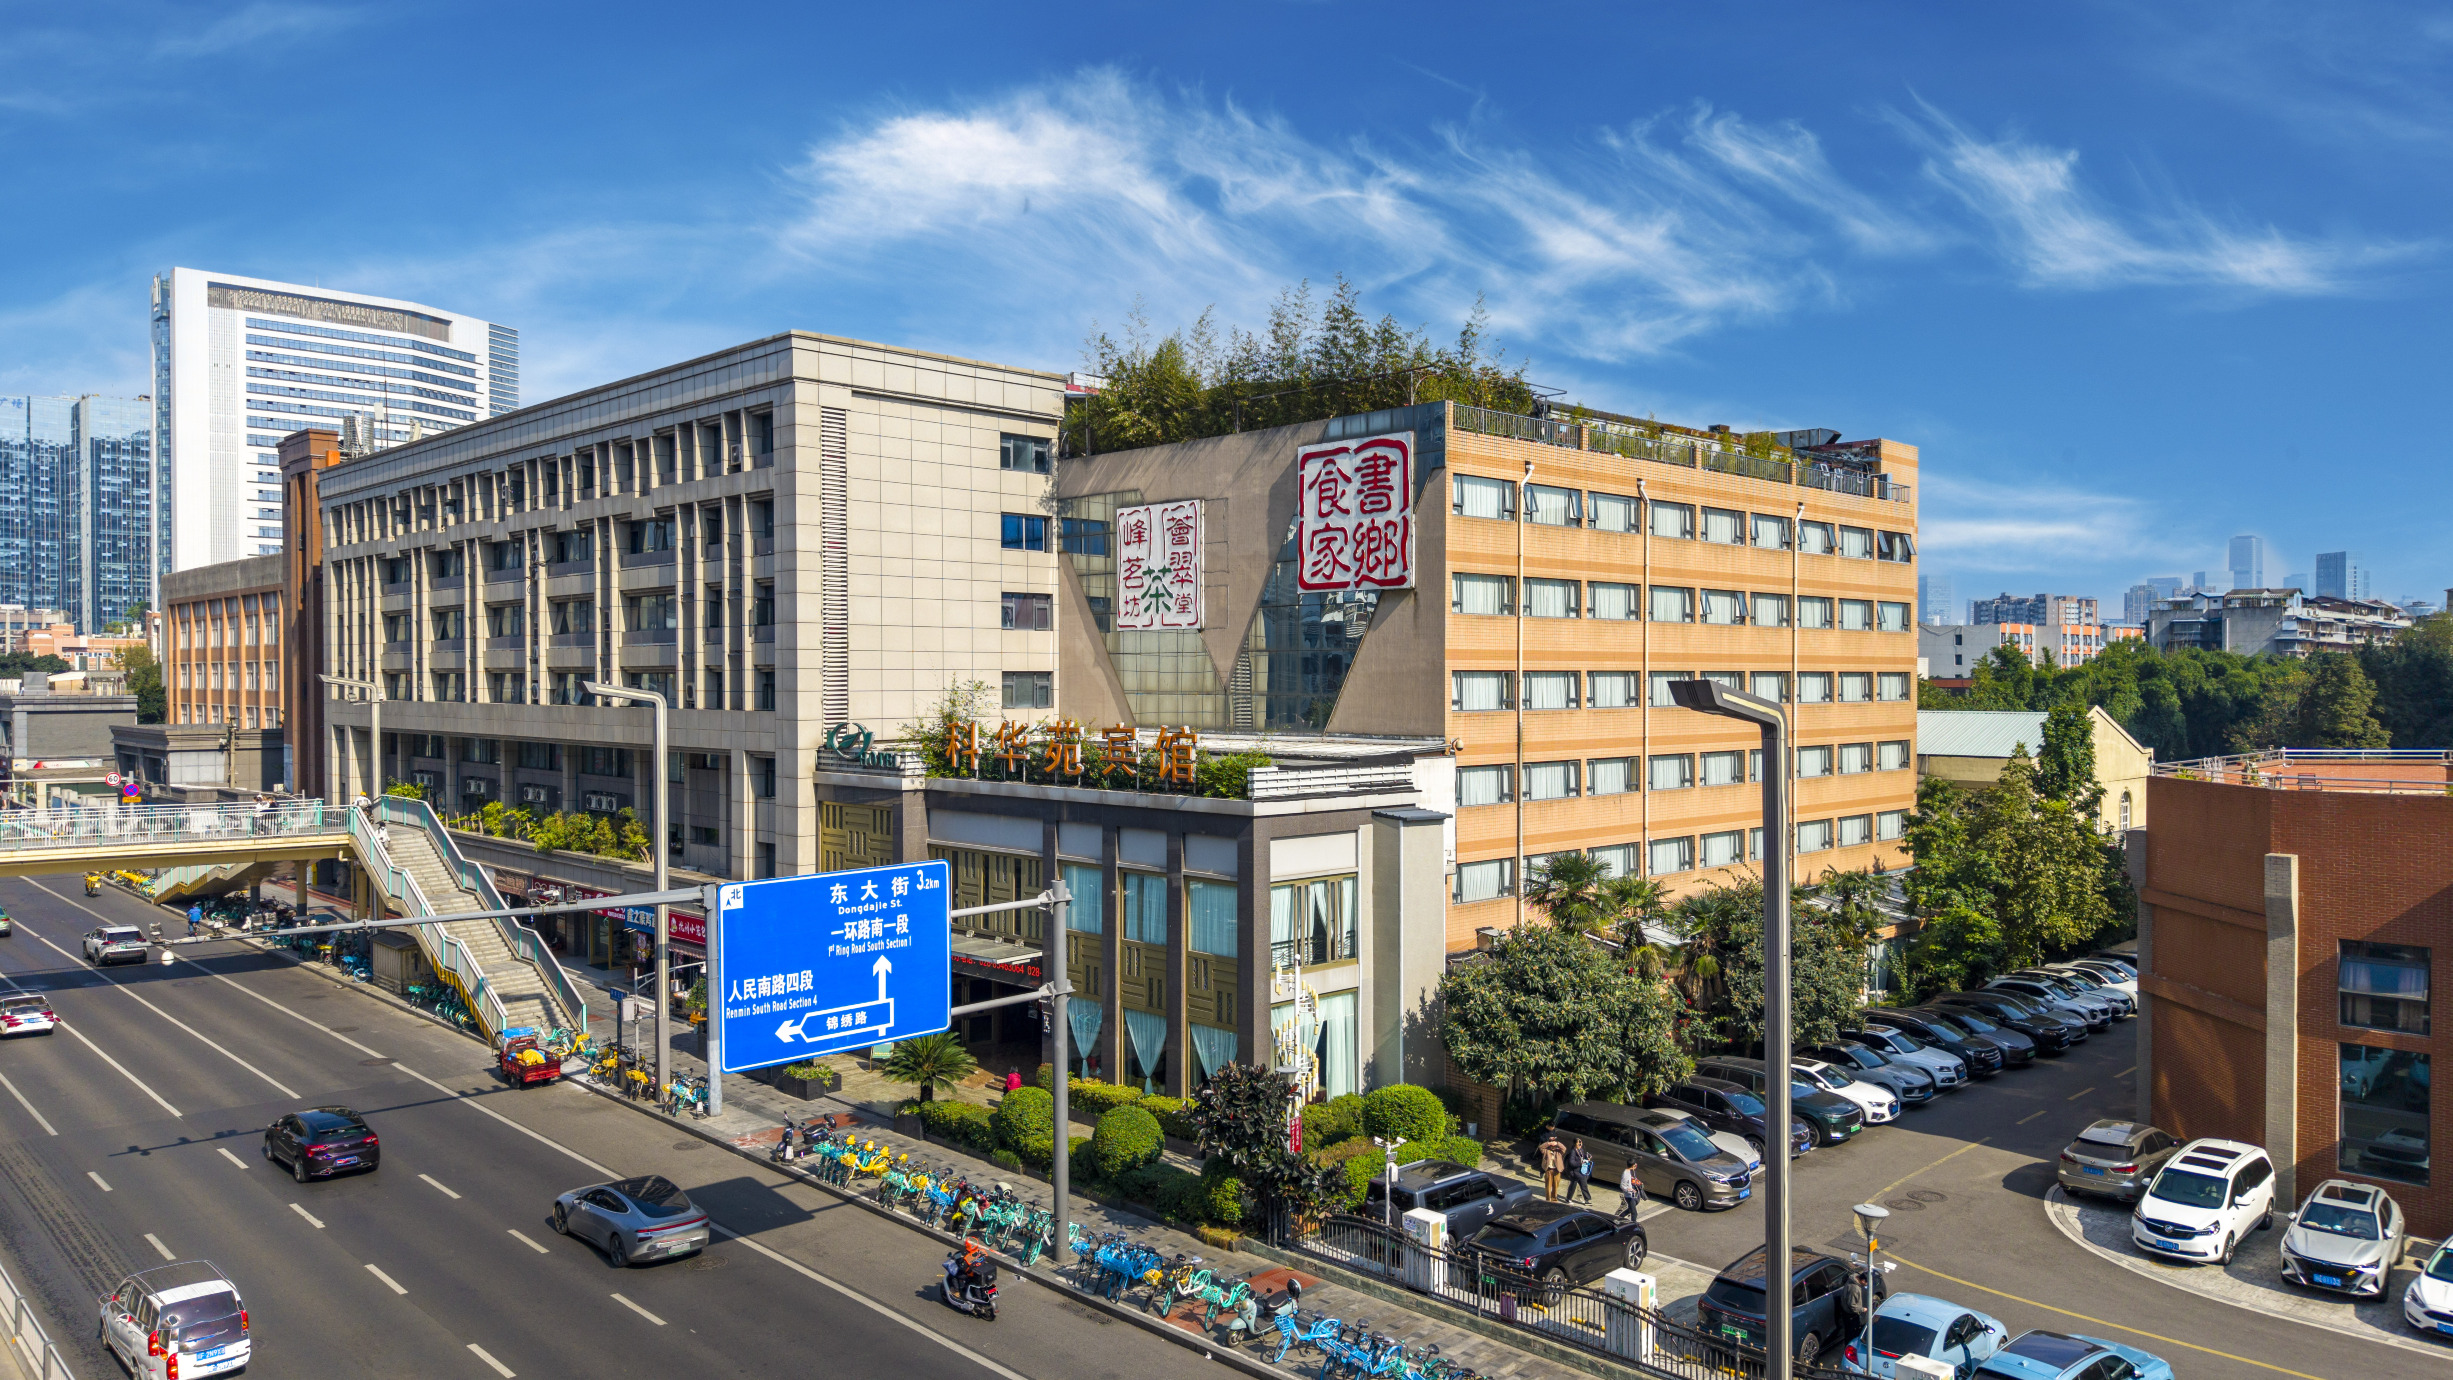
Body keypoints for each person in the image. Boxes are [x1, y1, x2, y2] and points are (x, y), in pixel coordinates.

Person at [1538, 1129, 1567, 1202]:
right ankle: (1548, 1199)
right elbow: (1540, 1147)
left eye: (1553, 1142)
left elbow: (1564, 1148)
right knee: (1548, 1186)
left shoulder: (1559, 1151)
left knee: (1555, 1186)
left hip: (1557, 1170)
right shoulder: (1546, 1150)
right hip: (1548, 1169)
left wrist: (1557, 1143)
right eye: (1551, 1142)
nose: (1553, 1145)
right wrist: (1548, 1143)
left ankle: (1554, 1199)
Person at [1566, 1138, 1594, 1205]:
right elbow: (1571, 1162)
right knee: (1573, 1185)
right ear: (1575, 1144)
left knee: (1583, 1185)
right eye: (1579, 1143)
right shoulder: (1573, 1151)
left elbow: (1583, 1157)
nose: (1580, 1144)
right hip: (1575, 1171)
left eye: (1581, 1143)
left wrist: (1587, 1158)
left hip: (1581, 1171)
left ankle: (1587, 1199)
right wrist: (1579, 1163)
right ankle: (1569, 1198)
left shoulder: (1581, 1150)